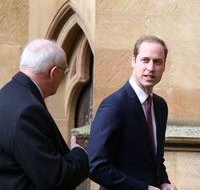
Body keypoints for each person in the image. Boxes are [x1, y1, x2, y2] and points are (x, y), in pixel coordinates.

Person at [88, 35, 177, 190]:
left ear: (164, 67)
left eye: (157, 62)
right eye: (145, 60)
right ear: (133, 61)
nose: (151, 68)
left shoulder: (160, 106)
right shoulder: (114, 105)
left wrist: (164, 182)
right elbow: (95, 167)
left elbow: (155, 159)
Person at [0, 39, 89, 190]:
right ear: (53, 72)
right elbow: (55, 179)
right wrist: (80, 154)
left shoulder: (7, 94)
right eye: (65, 72)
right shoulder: (28, 111)